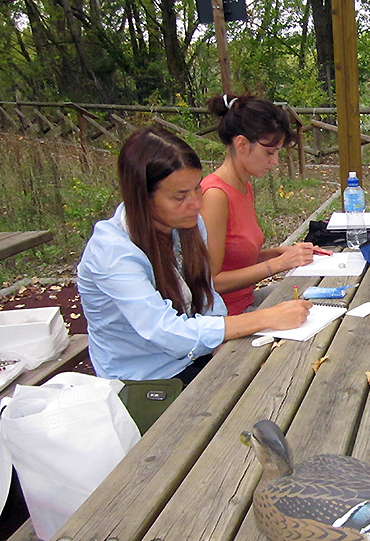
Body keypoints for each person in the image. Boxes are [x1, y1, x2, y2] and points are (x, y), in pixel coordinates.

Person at [78, 126, 312, 383]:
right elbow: (167, 332)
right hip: (144, 380)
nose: (197, 204)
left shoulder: (187, 226)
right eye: (180, 197)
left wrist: (225, 344)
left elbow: (207, 295)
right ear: (141, 198)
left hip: (196, 359)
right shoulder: (112, 251)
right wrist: (263, 318)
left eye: (197, 189)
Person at [201, 94, 329, 315]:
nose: (275, 161)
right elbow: (211, 282)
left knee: (325, 297)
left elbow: (234, 258)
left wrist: (283, 253)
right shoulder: (214, 195)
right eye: (270, 152)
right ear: (242, 144)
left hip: (247, 300)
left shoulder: (244, 186)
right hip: (227, 318)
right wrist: (277, 264)